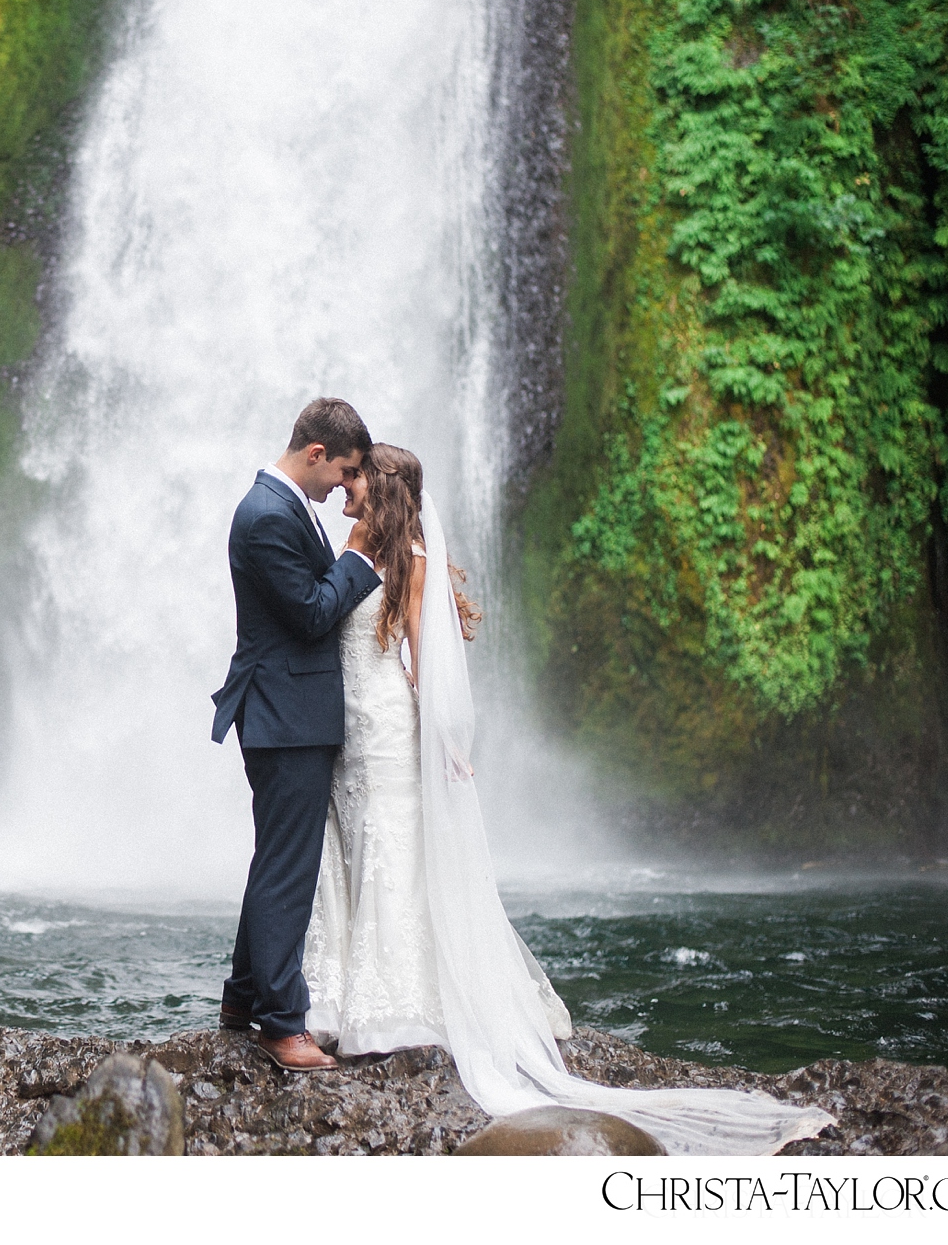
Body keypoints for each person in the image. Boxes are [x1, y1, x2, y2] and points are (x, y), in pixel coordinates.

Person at [299, 442, 833, 1154]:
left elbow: (426, 661)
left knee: (392, 851)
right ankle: (339, 993)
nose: (346, 483)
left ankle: (396, 1003)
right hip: (351, 731)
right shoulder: (357, 547)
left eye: (356, 475)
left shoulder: (414, 562)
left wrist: (445, 741)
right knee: (356, 847)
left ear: (382, 486)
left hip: (389, 728)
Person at [210, 397, 382, 1073]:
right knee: (289, 871)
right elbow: (311, 616)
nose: (343, 485)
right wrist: (360, 557)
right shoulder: (265, 517)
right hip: (285, 716)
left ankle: (241, 998)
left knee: (274, 863)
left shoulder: (282, 507)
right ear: (315, 453)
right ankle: (282, 1027)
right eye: (341, 471)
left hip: (288, 711)